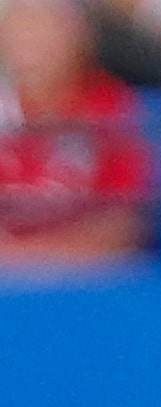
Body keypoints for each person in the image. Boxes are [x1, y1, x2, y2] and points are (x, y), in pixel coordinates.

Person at [0, 0, 152, 268]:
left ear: (77, 37)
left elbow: (123, 229)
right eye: (22, 27)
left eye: (43, 26)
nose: (30, 41)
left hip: (84, 284)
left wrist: (29, 257)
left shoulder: (112, 109)